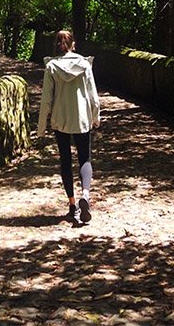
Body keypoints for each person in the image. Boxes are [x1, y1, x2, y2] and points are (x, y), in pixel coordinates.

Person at [37, 30, 100, 225]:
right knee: (85, 158)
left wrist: (41, 127)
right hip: (81, 118)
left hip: (60, 119)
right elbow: (93, 96)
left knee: (65, 160)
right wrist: (95, 117)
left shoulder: (52, 67)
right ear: (73, 44)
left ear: (56, 46)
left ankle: (72, 205)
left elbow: (46, 100)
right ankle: (86, 196)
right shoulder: (84, 65)